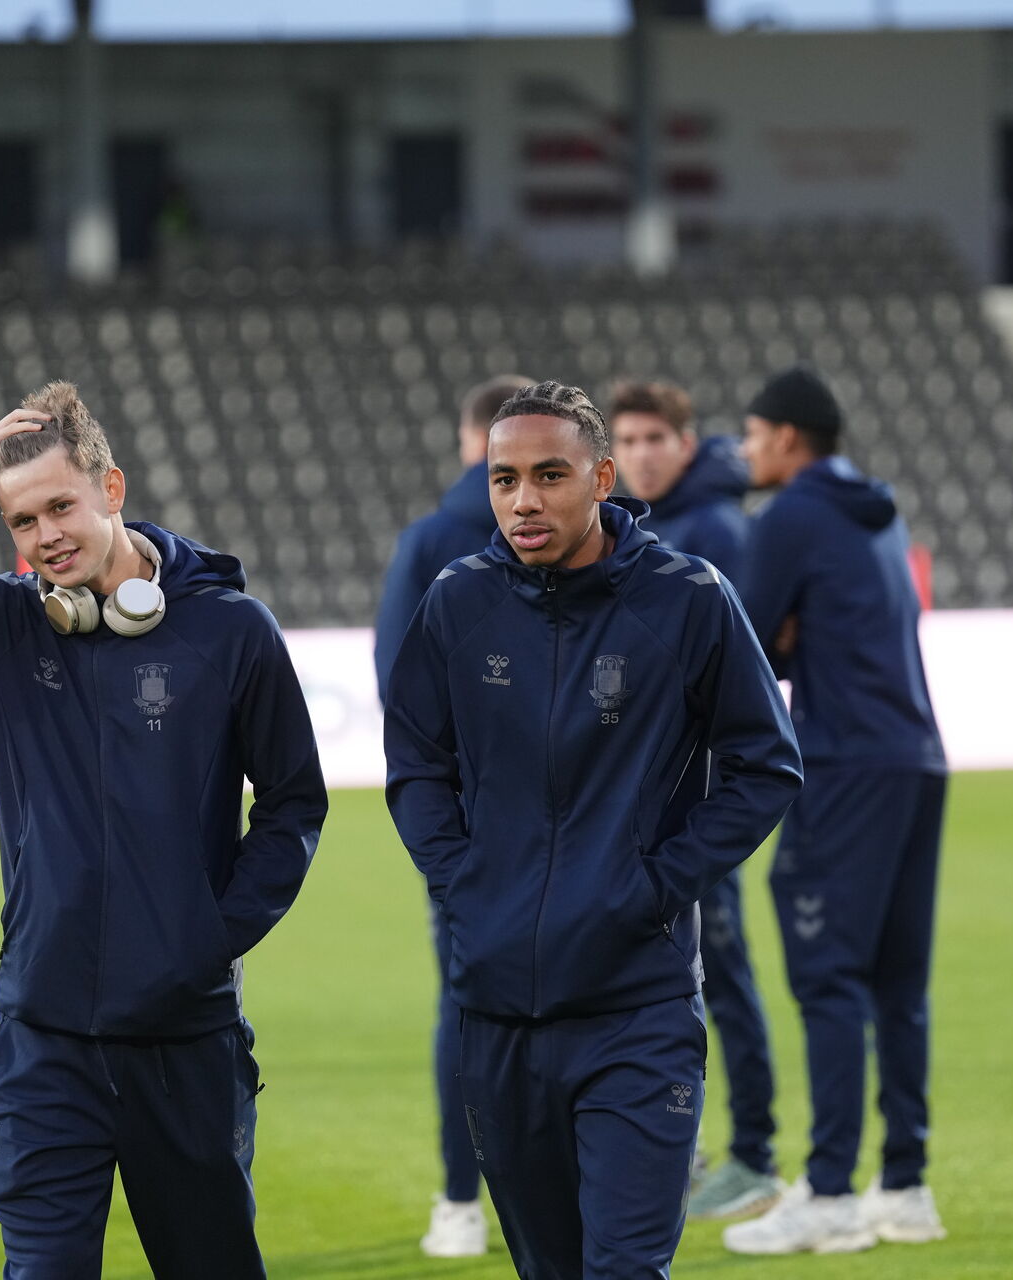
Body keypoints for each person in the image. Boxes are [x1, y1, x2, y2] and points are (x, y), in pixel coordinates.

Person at [0, 383, 328, 1279]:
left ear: (112, 488)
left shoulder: (231, 632)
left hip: (184, 1038)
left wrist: (208, 936)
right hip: (40, 1037)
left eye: (61, 506)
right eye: (22, 521)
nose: (46, 536)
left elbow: (294, 803)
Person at [384, 380, 802, 1279]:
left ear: (602, 478)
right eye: (504, 480)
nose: (523, 501)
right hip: (499, 1011)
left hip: (637, 1010)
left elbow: (767, 764)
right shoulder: (458, 601)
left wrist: (655, 885)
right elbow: (416, 763)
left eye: (549, 475)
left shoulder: (688, 598)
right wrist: (463, 881)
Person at [722, 367, 950, 1256]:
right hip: (916, 757)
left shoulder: (792, 517)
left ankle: (827, 1193)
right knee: (898, 983)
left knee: (827, 978)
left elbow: (744, 639)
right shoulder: (877, 510)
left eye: (752, 433)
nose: (745, 450)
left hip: (846, 763)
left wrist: (784, 638)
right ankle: (906, 1184)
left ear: (787, 437)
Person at [607, 380, 780, 1221]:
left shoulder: (714, 530)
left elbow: (740, 665)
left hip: (703, 795)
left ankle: (755, 1154)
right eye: (628, 441)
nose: (641, 454)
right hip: (650, 795)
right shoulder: (641, 528)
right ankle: (692, 1142)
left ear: (686, 443)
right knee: (675, 979)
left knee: (725, 973)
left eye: (655, 439)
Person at [373, 372, 531, 1261]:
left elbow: (400, 700)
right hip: (581, 822)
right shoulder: (595, 536)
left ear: (471, 440)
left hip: (469, 829)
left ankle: (462, 1201)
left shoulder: (430, 541)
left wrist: (444, 838)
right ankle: (554, 1189)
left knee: (466, 1005)